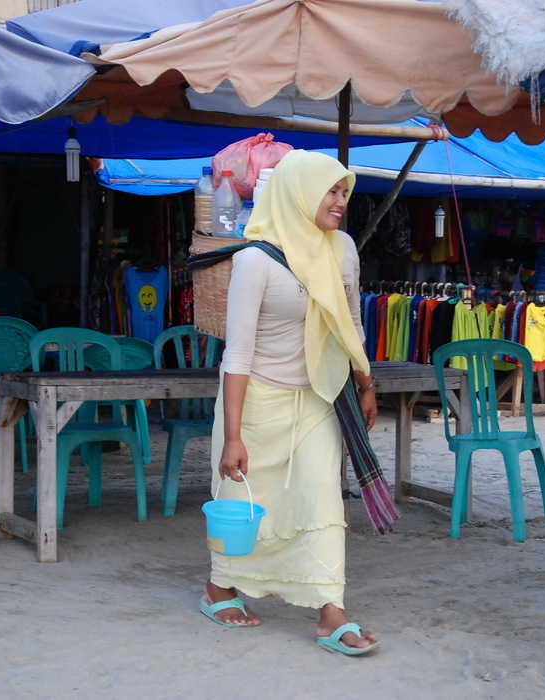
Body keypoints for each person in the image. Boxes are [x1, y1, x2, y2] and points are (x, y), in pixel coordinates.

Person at [199, 150, 380, 655]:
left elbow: (352, 323)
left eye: (344, 191)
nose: (340, 201)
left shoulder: (342, 249)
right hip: (257, 402)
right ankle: (220, 586)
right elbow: (236, 354)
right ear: (297, 192)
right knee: (246, 502)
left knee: (320, 496)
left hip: (321, 396)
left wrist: (366, 383)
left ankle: (331, 611)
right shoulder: (254, 259)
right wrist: (233, 436)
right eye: (329, 190)